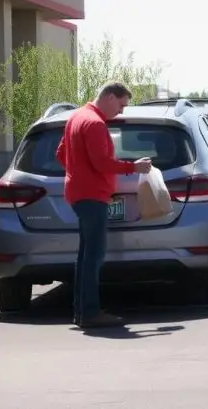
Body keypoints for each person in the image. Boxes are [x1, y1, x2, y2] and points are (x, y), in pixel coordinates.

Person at [55, 82, 153, 329]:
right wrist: (133, 166)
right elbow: (102, 163)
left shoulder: (76, 117)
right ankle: (89, 313)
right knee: (94, 255)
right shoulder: (95, 123)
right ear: (109, 97)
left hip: (80, 194)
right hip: (92, 197)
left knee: (86, 255)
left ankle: (82, 311)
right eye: (121, 105)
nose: (120, 112)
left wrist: (77, 173)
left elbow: (60, 153)